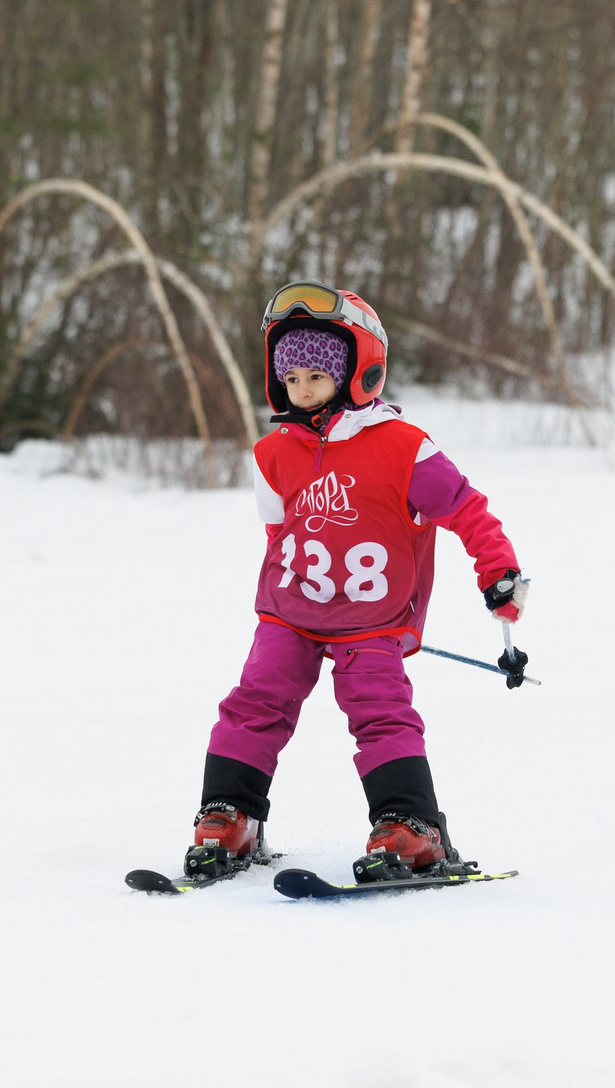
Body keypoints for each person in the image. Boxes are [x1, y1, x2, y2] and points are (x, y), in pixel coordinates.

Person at [183, 283, 528, 881]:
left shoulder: (404, 448)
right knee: (254, 703)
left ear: (358, 370)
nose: (302, 388)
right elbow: (278, 533)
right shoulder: (273, 454)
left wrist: (497, 572)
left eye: (317, 374)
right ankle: (228, 815)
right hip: (288, 615)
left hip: (371, 622)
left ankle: (409, 825)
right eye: (290, 377)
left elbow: (466, 509)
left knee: (381, 714)